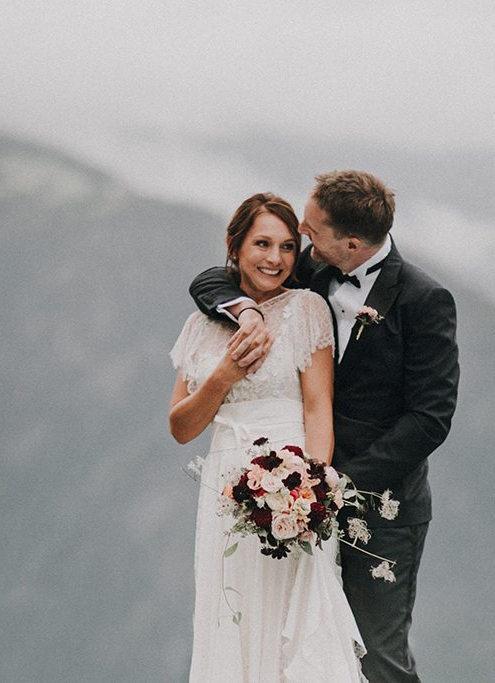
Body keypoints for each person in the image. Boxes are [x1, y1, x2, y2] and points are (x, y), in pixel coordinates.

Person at [190, 170, 460, 682]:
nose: (301, 244)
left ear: (352, 243)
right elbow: (211, 279)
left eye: (311, 232)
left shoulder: (424, 300)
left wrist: (337, 486)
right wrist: (245, 311)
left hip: (379, 511)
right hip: (286, 500)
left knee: (375, 655)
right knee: (297, 645)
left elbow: (430, 418)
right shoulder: (311, 271)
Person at [168, 193, 366, 682]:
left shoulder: (306, 310)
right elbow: (180, 427)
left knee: (291, 624)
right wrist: (223, 377)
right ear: (234, 247)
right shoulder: (199, 324)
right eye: (261, 243)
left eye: (286, 246)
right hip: (224, 489)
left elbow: (319, 406)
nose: (275, 259)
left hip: (292, 490)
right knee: (230, 618)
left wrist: (313, 490)